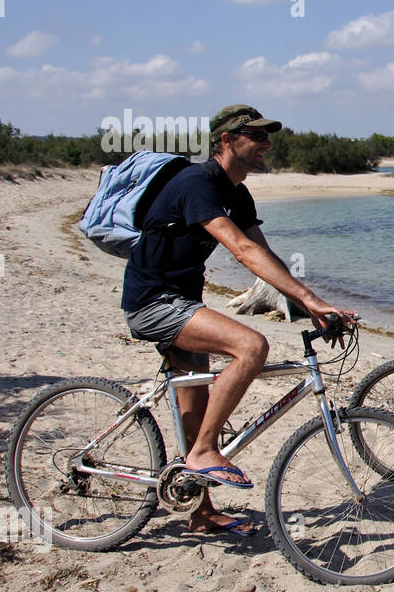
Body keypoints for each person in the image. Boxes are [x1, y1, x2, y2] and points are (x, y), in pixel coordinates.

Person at [122, 104, 355, 535]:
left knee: (195, 407)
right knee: (251, 346)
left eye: (269, 136)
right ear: (227, 141)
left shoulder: (237, 193)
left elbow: (263, 256)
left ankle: (201, 510)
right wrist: (308, 298)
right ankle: (207, 451)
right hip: (154, 303)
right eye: (257, 136)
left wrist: (312, 305)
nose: (267, 144)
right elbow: (241, 251)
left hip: (184, 302)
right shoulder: (196, 183)